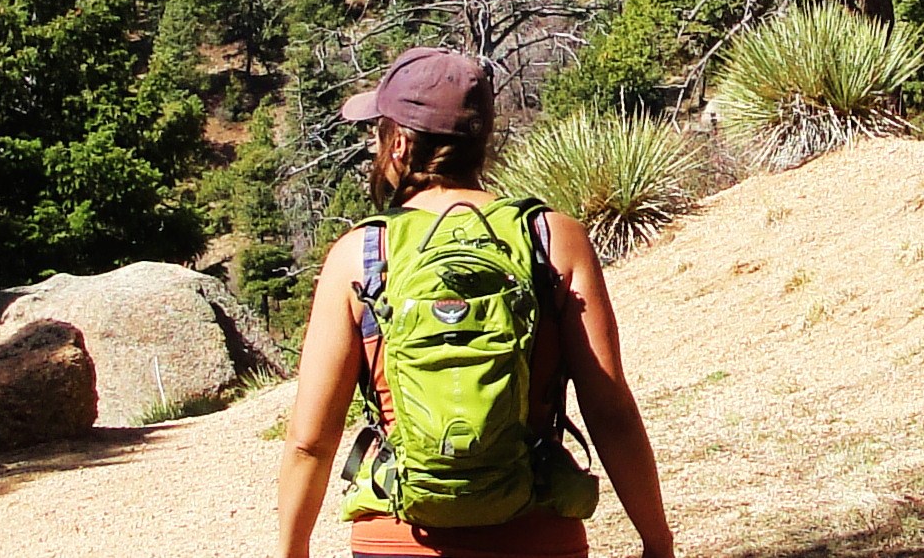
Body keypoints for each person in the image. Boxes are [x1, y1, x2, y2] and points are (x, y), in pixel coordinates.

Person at [275, 47, 677, 558]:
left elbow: (311, 441)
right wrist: (656, 541)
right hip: (538, 536)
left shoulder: (358, 255)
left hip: (399, 539)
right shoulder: (553, 238)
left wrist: (292, 550)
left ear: (398, 144)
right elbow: (611, 412)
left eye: (378, 133)